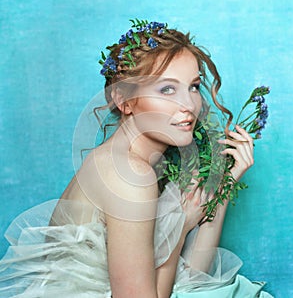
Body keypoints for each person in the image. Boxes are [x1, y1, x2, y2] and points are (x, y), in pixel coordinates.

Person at [0, 20, 273, 297]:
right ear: (124, 100)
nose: (189, 105)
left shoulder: (143, 165)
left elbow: (192, 278)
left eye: (193, 86)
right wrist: (179, 233)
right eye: (167, 89)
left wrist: (221, 188)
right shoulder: (129, 176)